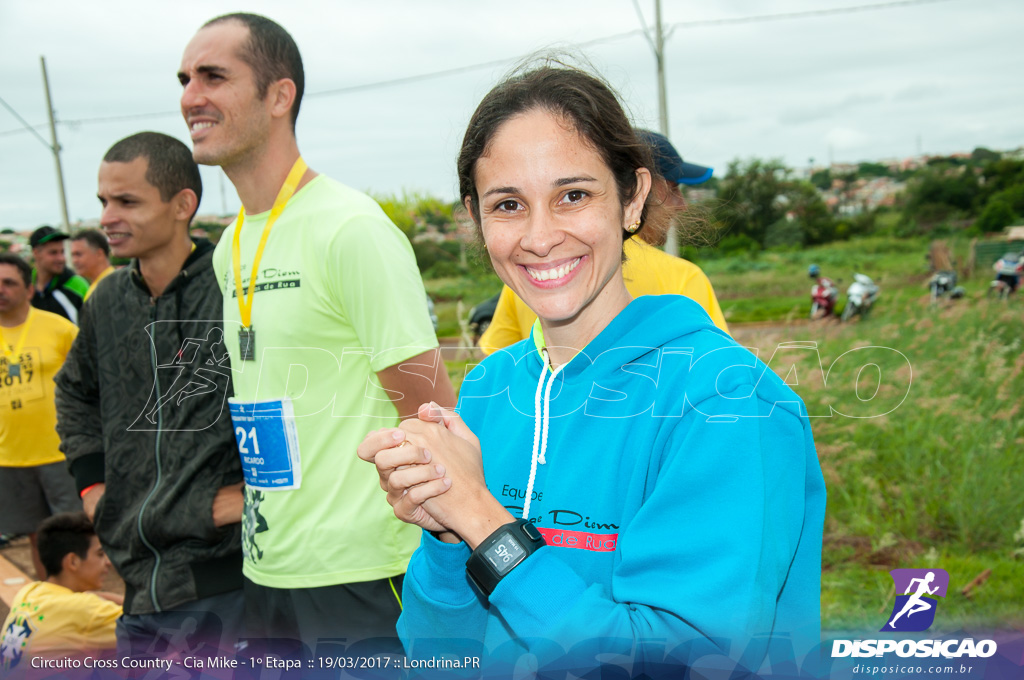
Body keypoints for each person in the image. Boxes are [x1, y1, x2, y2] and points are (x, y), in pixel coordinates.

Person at [358, 65, 826, 676]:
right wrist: (447, 536)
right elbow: (440, 655)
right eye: (508, 205)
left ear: (632, 197)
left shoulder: (729, 401)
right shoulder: (489, 389)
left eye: (573, 195)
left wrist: (482, 520)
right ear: (476, 217)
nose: (540, 236)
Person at [178, 12, 456, 648]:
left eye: (214, 76)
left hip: (365, 569)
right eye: (186, 78)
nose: (191, 96)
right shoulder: (229, 246)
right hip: (269, 563)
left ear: (280, 96)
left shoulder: (351, 228)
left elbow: (431, 408)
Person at [54, 132, 245, 658]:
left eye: (127, 201)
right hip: (137, 580)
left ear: (183, 204)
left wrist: (257, 491)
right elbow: (74, 392)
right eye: (103, 202)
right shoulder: (106, 299)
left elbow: (291, 395)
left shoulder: (234, 289)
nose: (108, 217)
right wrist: (92, 484)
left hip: (226, 578)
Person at [479, 128, 728, 353]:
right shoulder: (684, 278)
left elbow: (497, 359)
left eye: (574, 196)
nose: (680, 204)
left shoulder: (535, 275)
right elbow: (716, 366)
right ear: (639, 191)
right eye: (673, 189)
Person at [0, 253, 81, 582]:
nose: (1, 290)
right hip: (10, 457)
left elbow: (89, 383)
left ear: (29, 289)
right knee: (36, 535)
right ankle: (52, 604)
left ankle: (82, 603)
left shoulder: (59, 329)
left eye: (9, 282)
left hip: (59, 452)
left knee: (74, 534)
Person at [0, 512, 122, 670]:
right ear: (73, 561)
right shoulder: (87, 610)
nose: (108, 562)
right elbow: (156, 626)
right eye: (100, 554)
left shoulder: (29, 592)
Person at [28, 227, 88, 324]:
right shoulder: (24, 287)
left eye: (62, 252)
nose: (61, 258)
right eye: (53, 253)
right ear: (36, 253)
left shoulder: (77, 285)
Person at [69, 229, 115, 300]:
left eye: (78, 254)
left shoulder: (111, 286)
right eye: (73, 255)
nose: (74, 261)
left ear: (99, 254)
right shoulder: (96, 287)